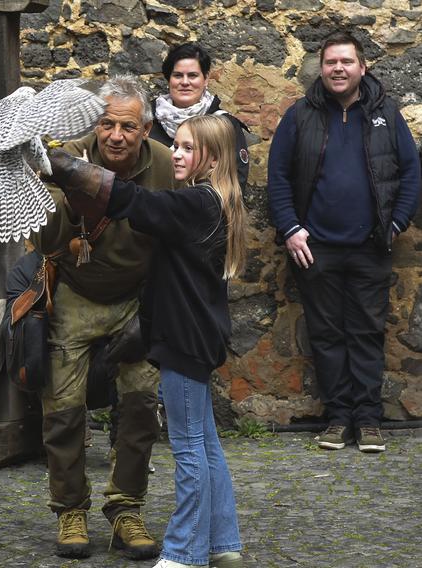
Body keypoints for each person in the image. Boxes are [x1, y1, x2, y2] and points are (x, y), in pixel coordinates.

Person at [48, 113, 246, 568]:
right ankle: (222, 543)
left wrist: (63, 167)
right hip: (194, 336)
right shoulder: (212, 200)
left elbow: (134, 200)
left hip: (183, 341)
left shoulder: (198, 203)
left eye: (187, 148)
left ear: (212, 160)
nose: (174, 153)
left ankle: (185, 553)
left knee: (190, 448)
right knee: (207, 443)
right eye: (174, 145)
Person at [29, 74, 175, 560]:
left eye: (128, 127)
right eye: (108, 124)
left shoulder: (163, 166)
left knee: (140, 405)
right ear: (96, 125)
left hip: (137, 294)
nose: (116, 136)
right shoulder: (64, 157)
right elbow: (44, 242)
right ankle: (70, 508)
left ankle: (126, 508)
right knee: (64, 409)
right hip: (77, 289)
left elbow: (176, 238)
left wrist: (152, 314)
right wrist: (74, 192)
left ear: (145, 129)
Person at [268, 32, 420, 454]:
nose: (338, 69)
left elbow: (411, 174)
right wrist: (291, 229)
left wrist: (395, 223)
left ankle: (369, 420)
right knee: (328, 334)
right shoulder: (300, 115)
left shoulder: (386, 114)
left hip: (371, 246)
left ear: (362, 67)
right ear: (322, 67)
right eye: (331, 62)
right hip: (315, 248)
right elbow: (278, 178)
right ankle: (338, 419)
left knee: (367, 332)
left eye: (346, 62)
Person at [150, 42, 250, 190]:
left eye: (193, 75)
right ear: (169, 79)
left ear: (206, 79)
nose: (185, 82)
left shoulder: (224, 124)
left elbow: (235, 181)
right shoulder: (147, 120)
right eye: (178, 75)